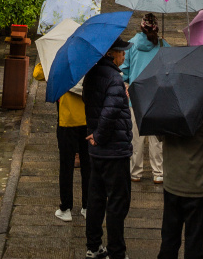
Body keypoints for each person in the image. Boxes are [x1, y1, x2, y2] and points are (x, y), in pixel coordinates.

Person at [83, 35, 133, 259]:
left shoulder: (92, 73)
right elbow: (110, 112)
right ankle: (116, 251)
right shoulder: (114, 78)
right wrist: (99, 136)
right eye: (121, 52)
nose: (124, 55)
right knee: (117, 203)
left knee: (95, 199)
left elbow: (91, 102)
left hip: (97, 152)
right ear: (112, 54)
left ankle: (93, 246)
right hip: (114, 150)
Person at [157, 105, 203, 259]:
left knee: (169, 240)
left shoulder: (166, 106)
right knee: (194, 245)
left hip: (172, 182)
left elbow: (159, 136)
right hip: (198, 184)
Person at [32, 60, 89, 223]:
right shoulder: (87, 57)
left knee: (66, 166)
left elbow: (38, 74)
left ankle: (66, 208)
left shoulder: (60, 58)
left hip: (67, 120)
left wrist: (46, 57)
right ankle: (87, 206)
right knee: (88, 166)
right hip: (87, 119)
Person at [121, 13, 169, 184]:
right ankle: (158, 172)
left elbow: (124, 71)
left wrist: (126, 84)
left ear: (141, 26)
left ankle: (135, 172)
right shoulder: (163, 45)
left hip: (135, 97)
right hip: (157, 97)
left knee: (135, 138)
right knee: (157, 139)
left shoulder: (131, 45)